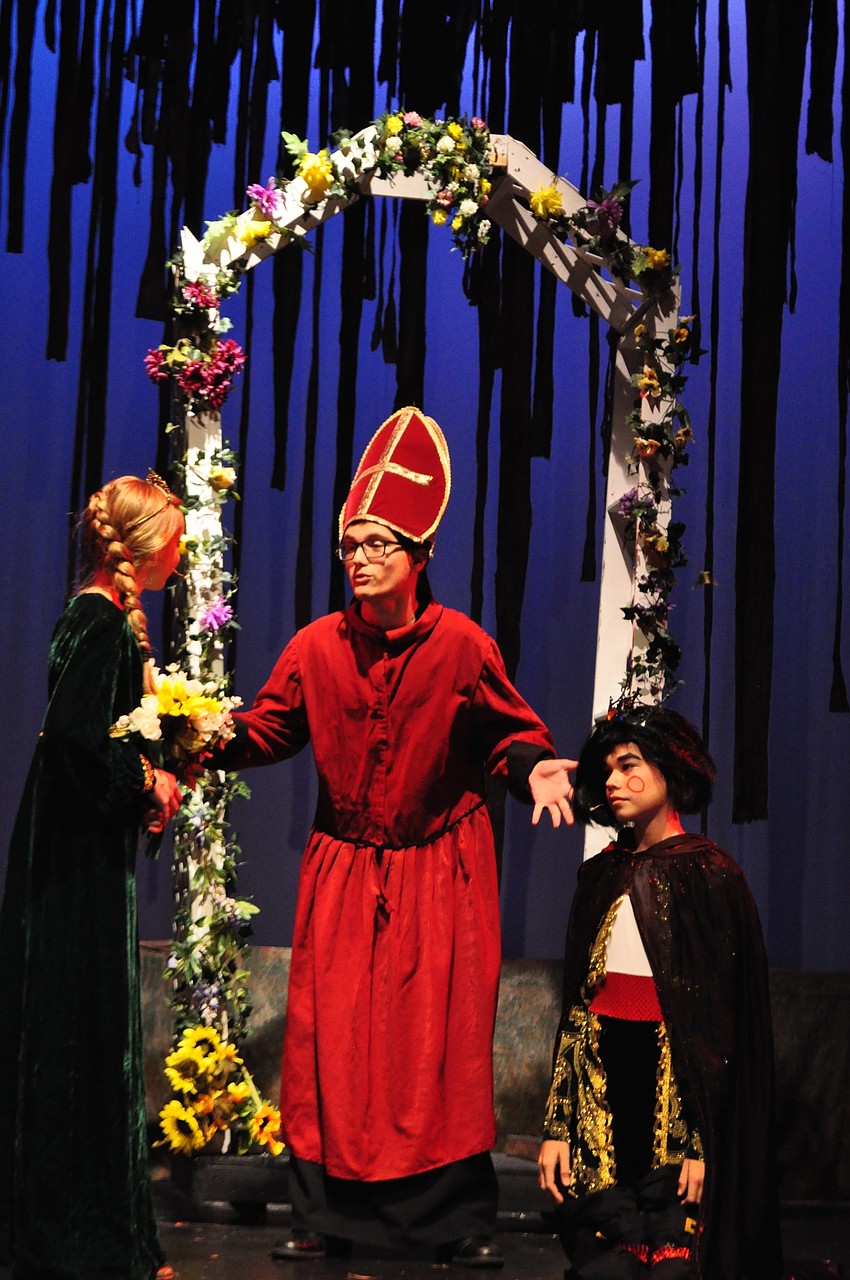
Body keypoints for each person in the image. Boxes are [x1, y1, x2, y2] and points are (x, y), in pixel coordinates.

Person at [220, 406, 575, 1268]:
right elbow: (266, 730)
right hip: (345, 868)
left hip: (440, 870)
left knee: (434, 1046)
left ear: (418, 557)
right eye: (353, 546)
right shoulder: (315, 646)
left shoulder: (460, 644)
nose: (364, 559)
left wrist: (529, 768)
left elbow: (505, 730)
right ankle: (324, 1218)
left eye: (382, 544)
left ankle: (454, 1222)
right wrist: (191, 730)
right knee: (331, 1039)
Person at [0, 472, 185, 1280]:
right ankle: (82, 1240)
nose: (180, 549)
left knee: (72, 1030)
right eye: (173, 533)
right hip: (73, 868)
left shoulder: (93, 615)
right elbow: (78, 741)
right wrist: (145, 780)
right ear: (149, 547)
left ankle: (73, 1232)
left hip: (66, 847)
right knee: (82, 1035)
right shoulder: (104, 622)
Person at [538, 705, 783, 1279]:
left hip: (674, 1093)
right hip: (603, 1084)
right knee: (609, 1266)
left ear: (671, 769)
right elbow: (575, 1014)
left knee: (673, 1266)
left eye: (629, 766)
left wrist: (704, 1142)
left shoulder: (711, 874)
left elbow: (722, 1027)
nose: (614, 782)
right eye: (607, 772)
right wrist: (556, 1127)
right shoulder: (600, 873)